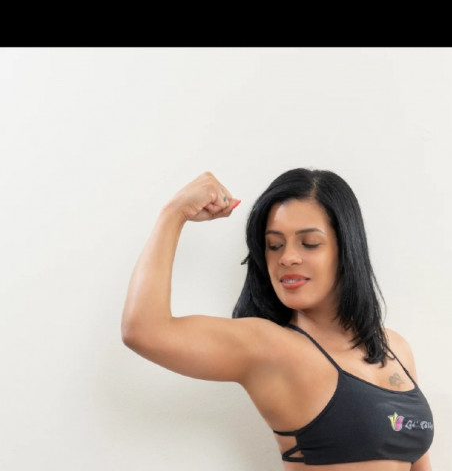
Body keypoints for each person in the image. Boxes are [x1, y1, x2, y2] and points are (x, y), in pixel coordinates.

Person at [122, 169, 434, 469]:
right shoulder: (269, 347)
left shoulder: (395, 347)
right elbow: (143, 330)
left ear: (346, 248)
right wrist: (174, 213)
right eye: (274, 245)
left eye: (309, 243)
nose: (287, 258)